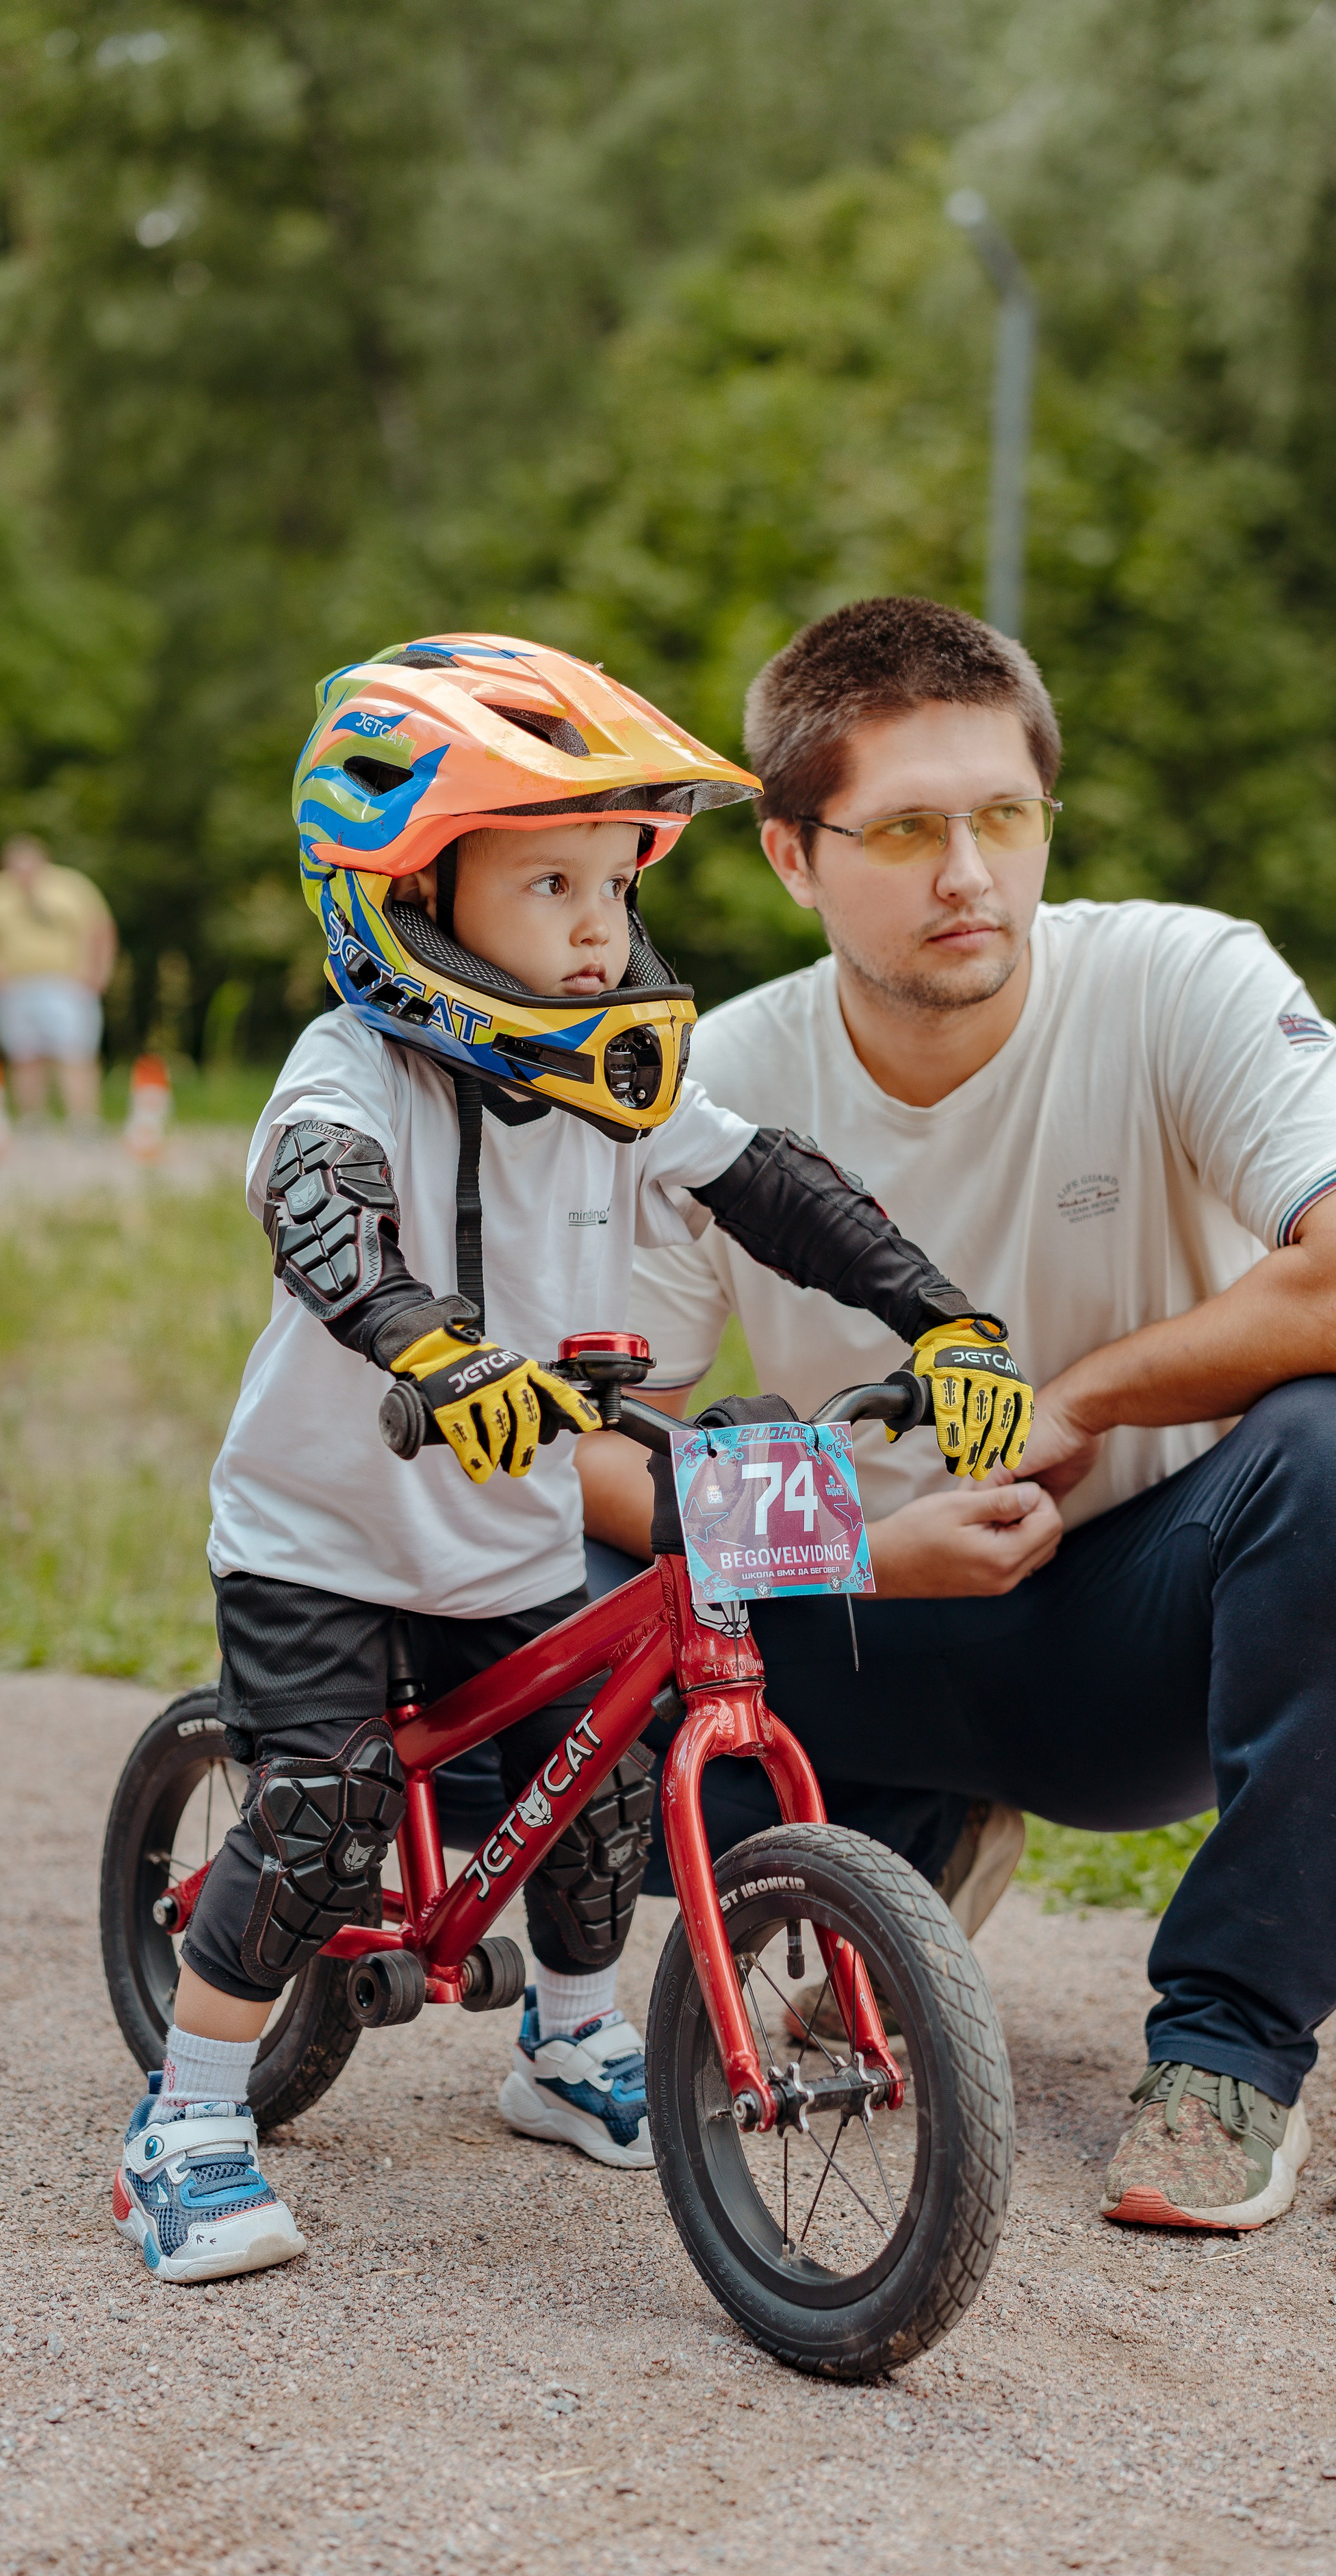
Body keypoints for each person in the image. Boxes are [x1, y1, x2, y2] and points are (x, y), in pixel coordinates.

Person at [111, 630, 1033, 2284]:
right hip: (324, 1526)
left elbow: (774, 1184)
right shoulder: (351, 1067)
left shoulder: (614, 1074)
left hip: (509, 1529)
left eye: (615, 883)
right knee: (320, 1814)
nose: (601, 930)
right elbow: (318, 1212)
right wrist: (429, 1343)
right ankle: (183, 2122)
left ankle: (569, 2037)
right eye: (550, 887)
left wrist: (940, 1315)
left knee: (606, 1779)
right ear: (409, 898)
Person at [577, 596, 1336, 2236]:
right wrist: (858, 1542)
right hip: (848, 1616)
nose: (967, 874)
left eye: (1003, 816)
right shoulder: (709, 1083)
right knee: (534, 1634)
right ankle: (894, 1856)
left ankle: (1225, 2050)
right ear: (790, 854)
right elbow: (586, 1440)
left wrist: (1079, 1397)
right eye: (906, 827)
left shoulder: (1177, 978)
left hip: (1135, 1631)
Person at [0, 834, 116, 1127]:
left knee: (76, 1053)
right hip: (14, 986)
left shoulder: (71, 886)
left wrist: (98, 972)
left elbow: (100, 929)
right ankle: (33, 1121)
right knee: (24, 1055)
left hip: (67, 983)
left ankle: (84, 1122)